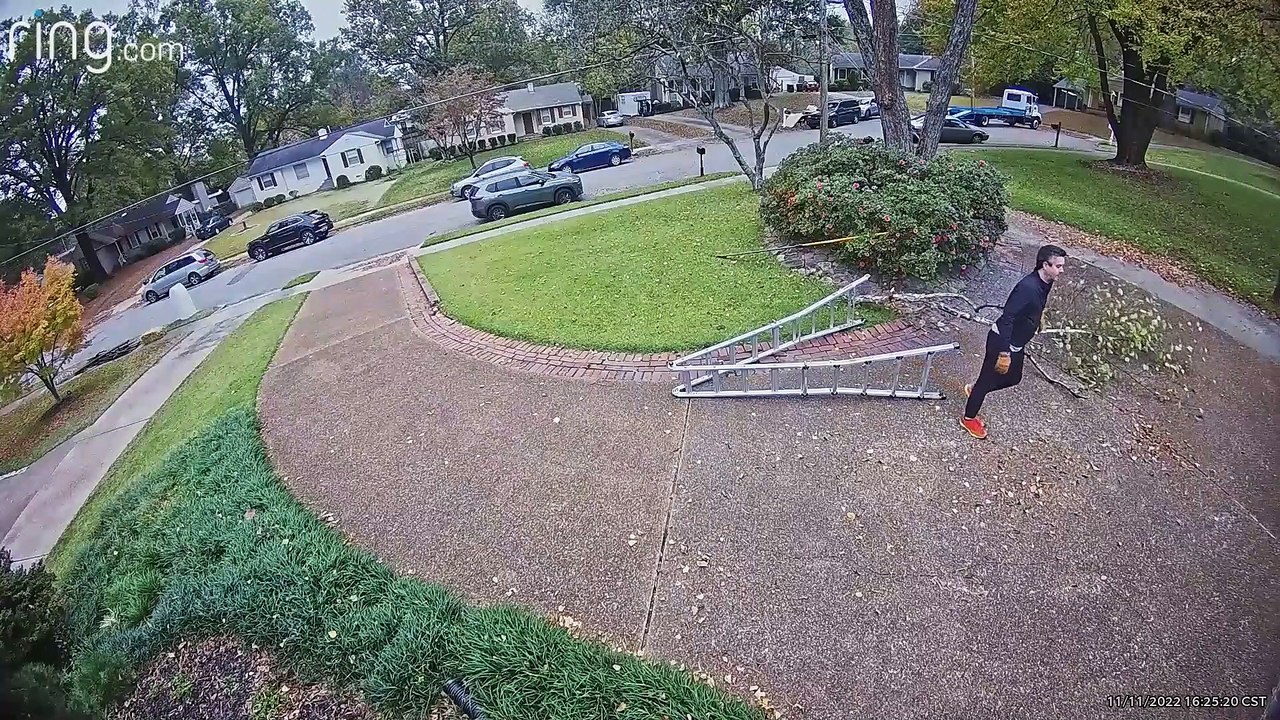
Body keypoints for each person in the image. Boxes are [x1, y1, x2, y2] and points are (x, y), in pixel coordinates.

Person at [960, 244, 1067, 439]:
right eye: (1058, 266)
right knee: (986, 380)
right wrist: (1004, 353)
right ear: (1045, 265)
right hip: (1001, 342)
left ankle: (976, 390)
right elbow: (1008, 317)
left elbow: (1037, 305)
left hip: (1016, 344)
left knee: (1013, 378)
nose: (1062, 270)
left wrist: (1037, 319)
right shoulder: (1027, 288)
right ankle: (968, 418)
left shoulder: (1047, 281)